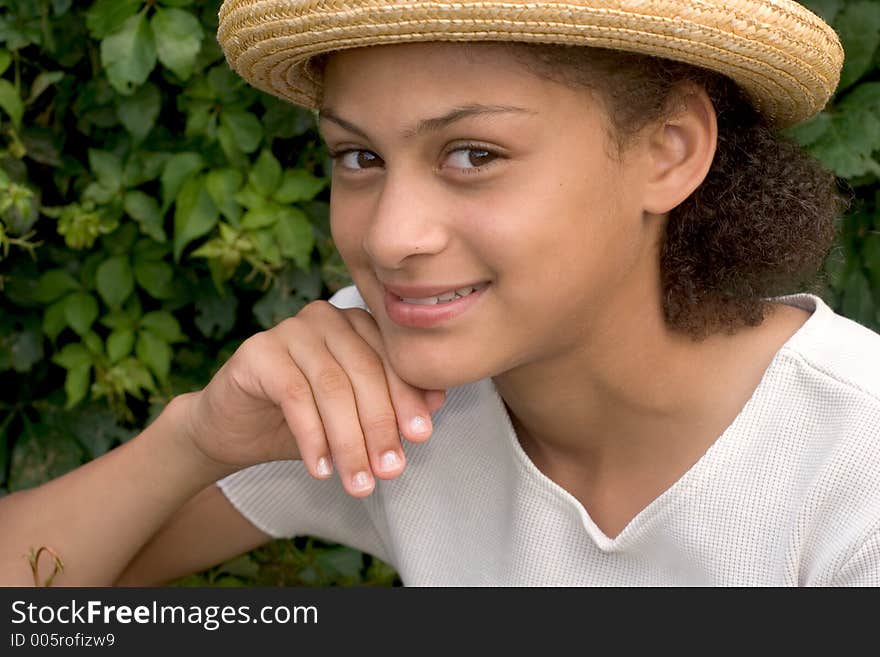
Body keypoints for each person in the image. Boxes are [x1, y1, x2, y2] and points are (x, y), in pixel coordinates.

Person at [2, 0, 878, 586]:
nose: (388, 238)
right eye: (359, 158)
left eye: (472, 155)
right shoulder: (379, 391)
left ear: (669, 150)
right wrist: (196, 439)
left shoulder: (851, 463)